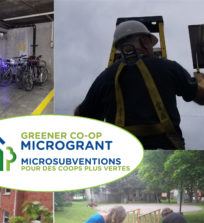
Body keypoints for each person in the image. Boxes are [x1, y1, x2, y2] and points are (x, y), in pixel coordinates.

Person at [74, 20, 204, 150]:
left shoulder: (105, 77)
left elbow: (81, 116)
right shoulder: (169, 68)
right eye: (150, 43)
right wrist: (200, 80)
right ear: (143, 42)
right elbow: (201, 97)